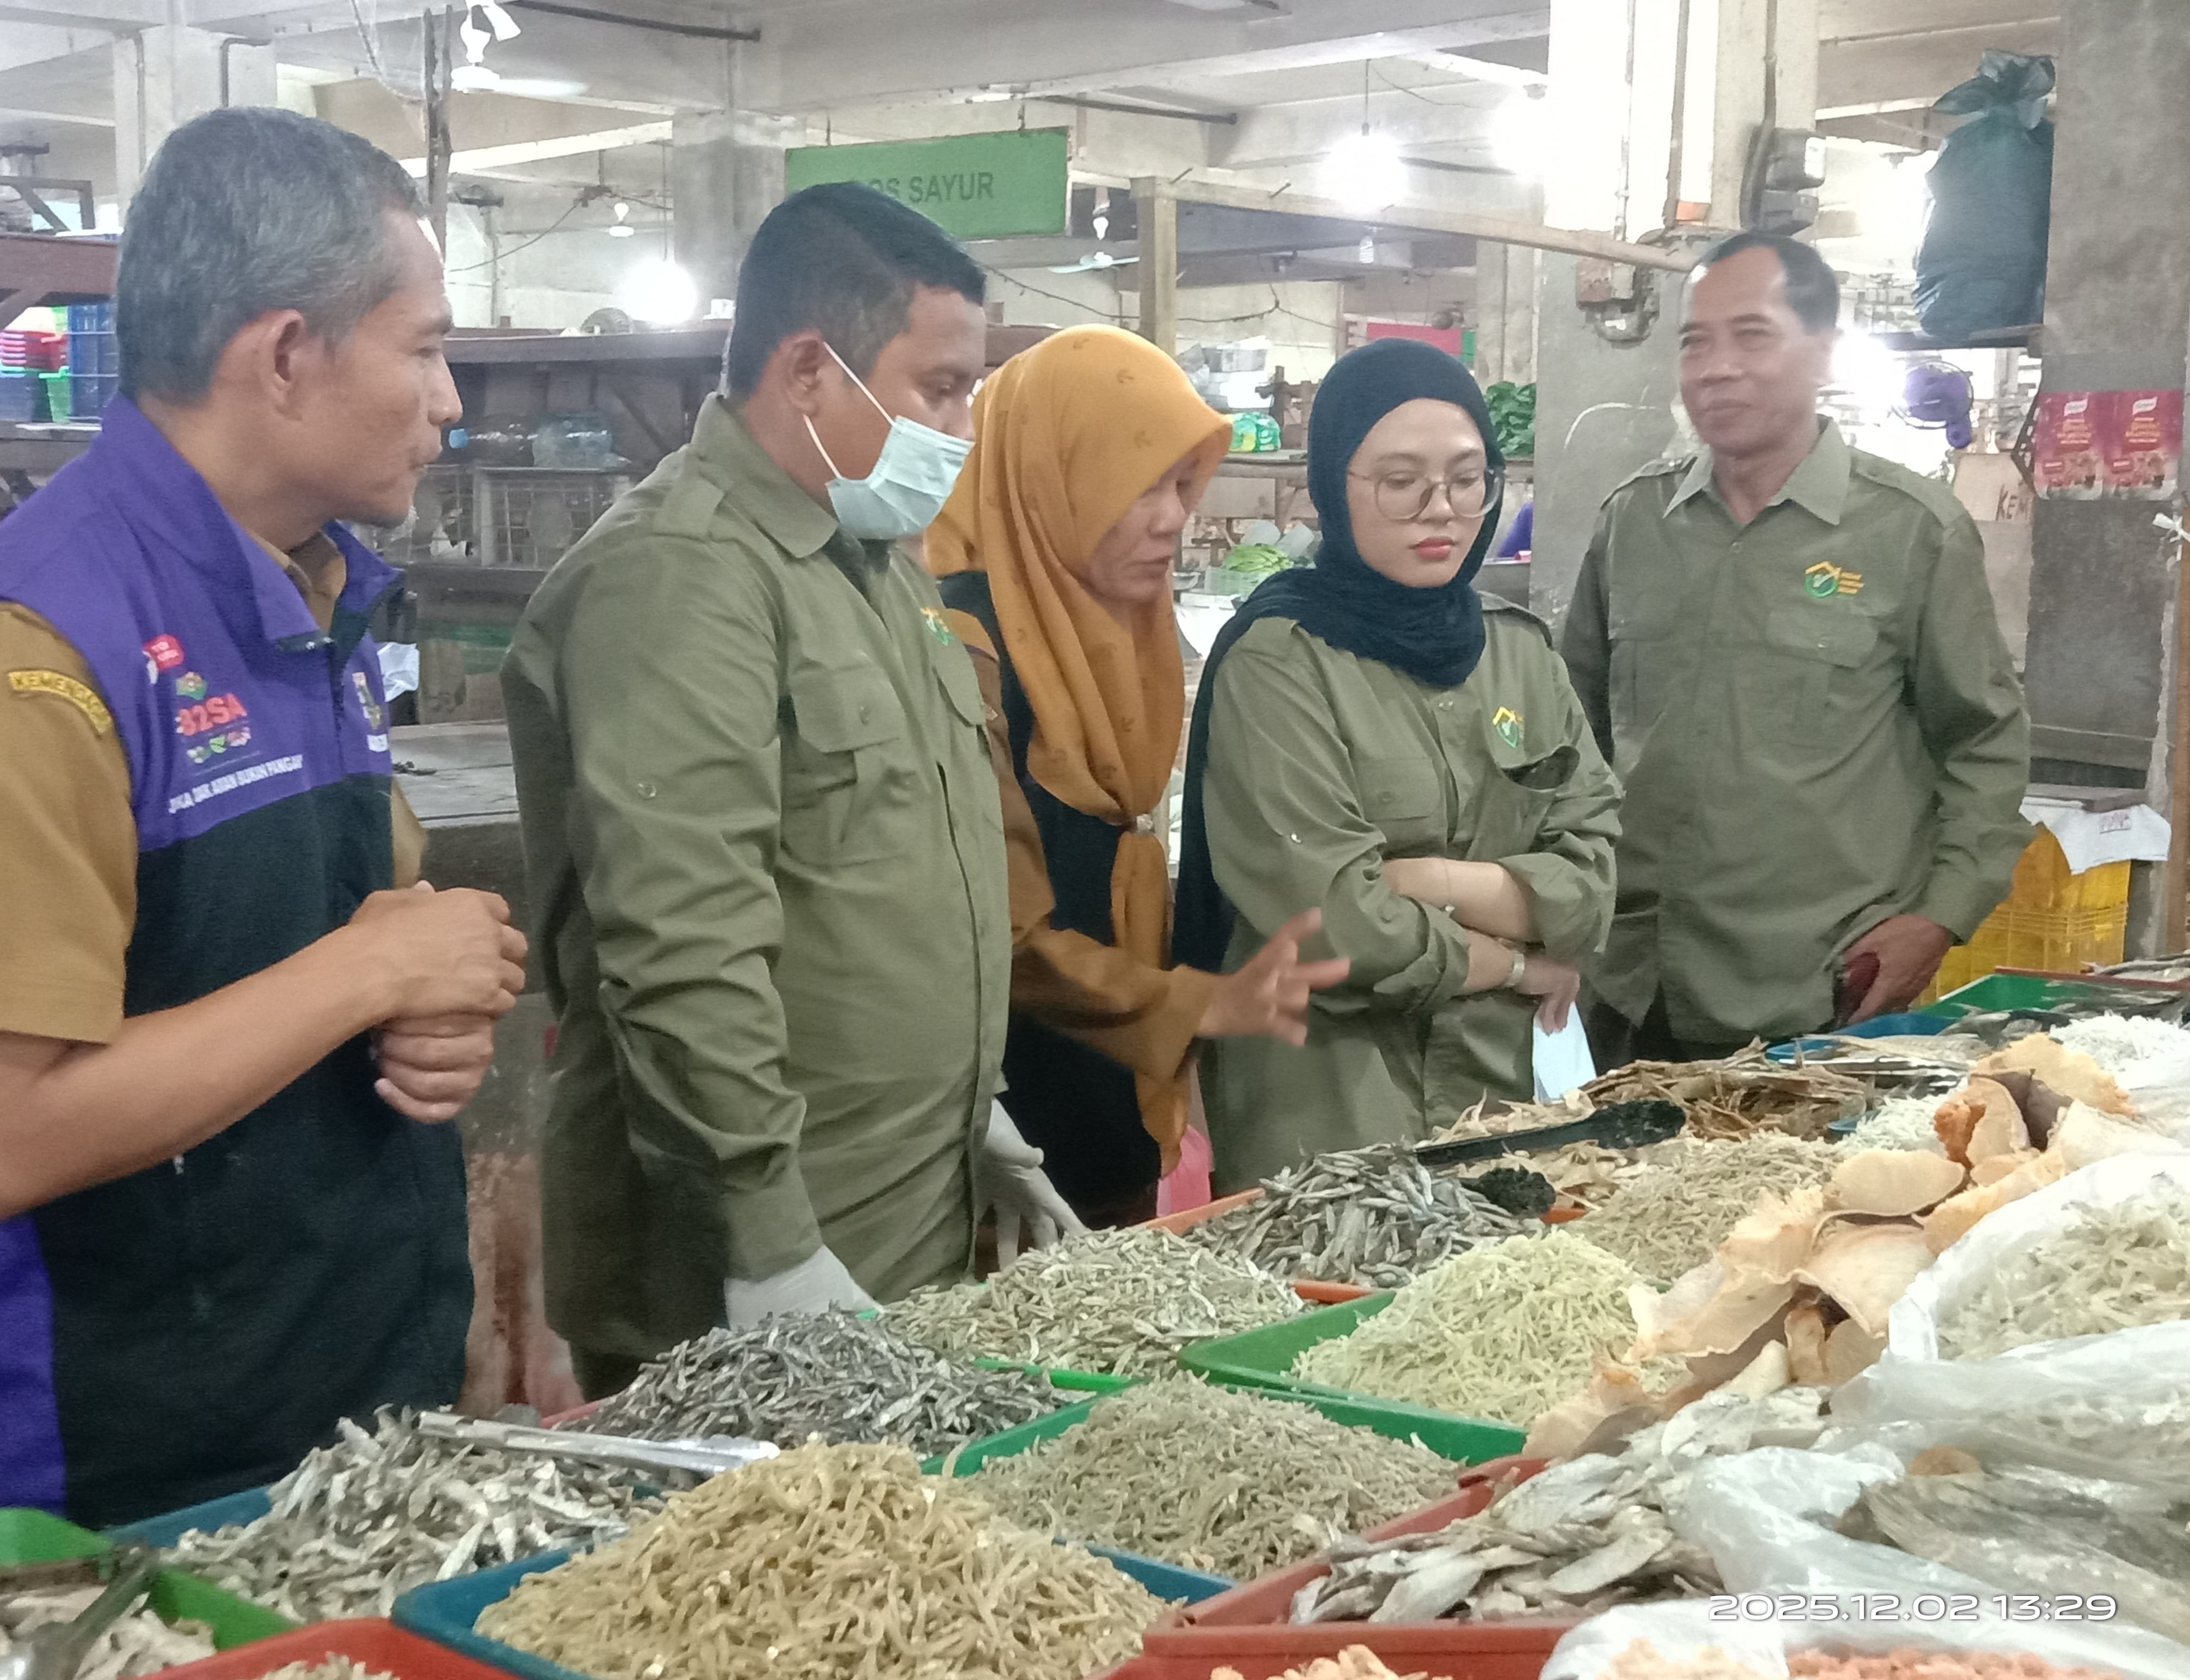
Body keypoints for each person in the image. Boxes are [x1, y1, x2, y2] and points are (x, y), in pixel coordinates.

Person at [0, 108, 524, 1525]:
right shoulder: (38, 651)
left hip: (351, 1410)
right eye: (427, 345)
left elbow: (318, 946)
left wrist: (425, 1001)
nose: (451, 402)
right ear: (284, 356)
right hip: (135, 1468)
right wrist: (365, 973)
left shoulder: (310, 594)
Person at [503, 183, 1075, 1399]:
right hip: (750, 1278)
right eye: (938, 388)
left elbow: (876, 868)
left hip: (897, 1216)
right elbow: (681, 939)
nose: (961, 427)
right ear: (812, 371)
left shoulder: (871, 565)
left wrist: (973, 1106)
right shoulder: (683, 577)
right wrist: (768, 1247)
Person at [1561, 232, 2031, 1062]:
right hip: (1635, 986)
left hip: (1823, 992)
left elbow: (1983, 745)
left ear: (1822, 354)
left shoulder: (1909, 531)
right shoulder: (1634, 523)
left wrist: (1939, 917)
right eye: (1695, 342)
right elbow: (1578, 732)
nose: (1716, 368)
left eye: (1752, 336)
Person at [926, 326, 1349, 1226]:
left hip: (1106, 1095)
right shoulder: (966, 651)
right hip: (1001, 1133)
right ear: (1052, 479)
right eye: (1137, 486)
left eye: (1180, 485)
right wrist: (1196, 1002)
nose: (1171, 518)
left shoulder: (1113, 625)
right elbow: (1006, 939)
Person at [1177, 339, 1621, 1191]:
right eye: (1399, 480)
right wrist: (1523, 962)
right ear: (1333, 487)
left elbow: (1594, 877)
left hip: (1504, 1111)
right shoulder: (1281, 661)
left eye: (1467, 477)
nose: (1441, 509)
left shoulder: (1520, 654)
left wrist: (1429, 880)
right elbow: (1338, 926)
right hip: (1334, 1124)